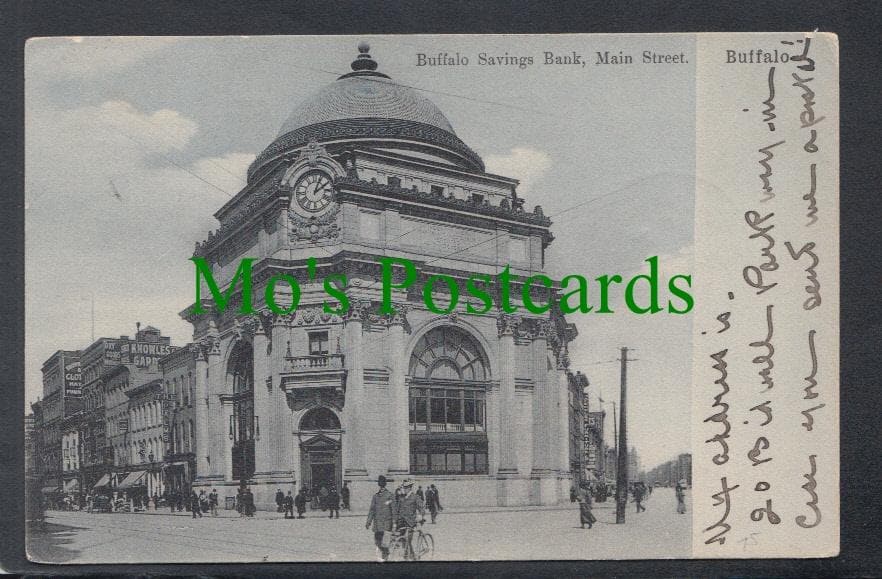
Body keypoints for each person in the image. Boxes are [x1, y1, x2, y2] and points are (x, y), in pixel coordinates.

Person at [393, 479, 425, 560]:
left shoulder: (415, 497)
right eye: (404, 487)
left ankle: (411, 556)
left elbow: (422, 507)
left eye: (407, 487)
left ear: (410, 488)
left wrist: (420, 515)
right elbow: (397, 509)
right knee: (402, 539)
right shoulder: (401, 497)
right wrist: (395, 521)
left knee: (408, 539)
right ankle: (408, 555)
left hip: (411, 522)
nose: (405, 489)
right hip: (401, 522)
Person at [366, 475, 395, 562]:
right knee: (377, 542)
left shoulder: (390, 495)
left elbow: (393, 510)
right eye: (379, 482)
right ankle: (386, 553)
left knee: (385, 543)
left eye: (382, 482)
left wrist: (394, 523)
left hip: (386, 524)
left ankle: (385, 557)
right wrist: (368, 522)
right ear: (379, 484)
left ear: (385, 484)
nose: (381, 483)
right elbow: (372, 510)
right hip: (378, 524)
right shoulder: (375, 496)